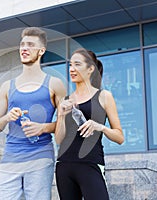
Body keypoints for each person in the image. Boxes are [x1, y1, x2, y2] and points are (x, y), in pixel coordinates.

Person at [0, 27, 66, 200]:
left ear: (41, 51)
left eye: (30, 45)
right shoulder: (7, 86)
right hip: (11, 156)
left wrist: (44, 127)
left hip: (40, 155)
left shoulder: (55, 84)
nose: (24, 48)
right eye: (22, 44)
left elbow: (64, 127)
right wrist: (7, 117)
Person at [55, 48, 124, 200]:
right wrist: (61, 115)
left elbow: (120, 137)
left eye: (77, 65)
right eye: (70, 65)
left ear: (90, 68)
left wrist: (100, 127)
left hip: (91, 164)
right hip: (64, 166)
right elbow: (59, 140)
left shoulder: (104, 96)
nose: (71, 69)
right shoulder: (66, 100)